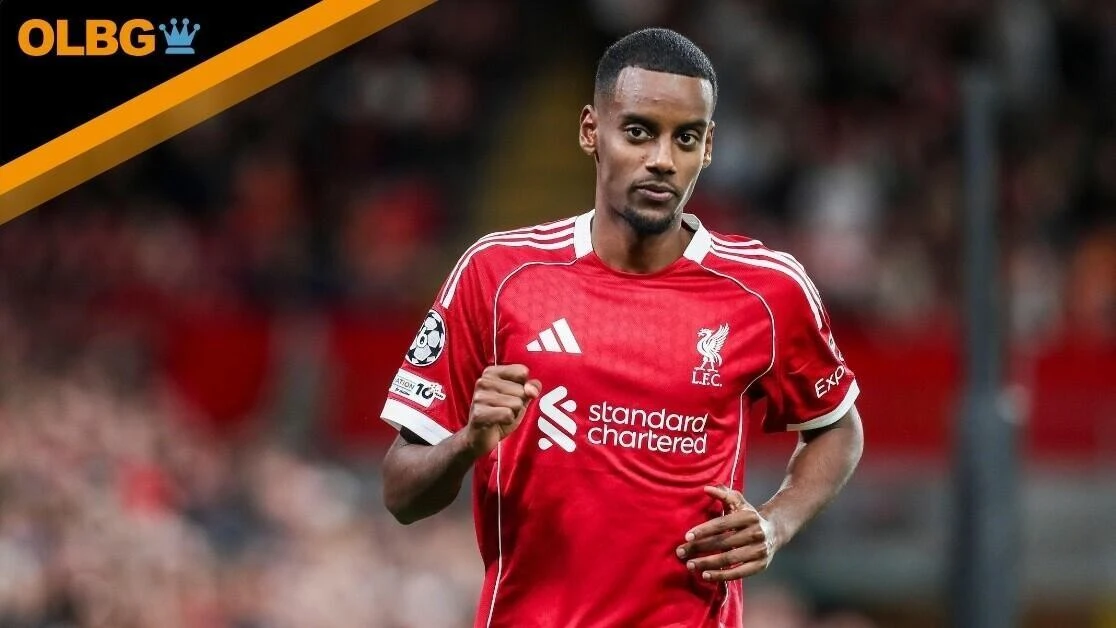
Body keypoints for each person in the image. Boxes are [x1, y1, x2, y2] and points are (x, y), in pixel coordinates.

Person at [378, 27, 864, 628]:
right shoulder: (499, 274)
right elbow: (401, 494)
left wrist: (776, 522)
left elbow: (837, 430)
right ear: (592, 132)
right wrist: (466, 445)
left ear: (708, 146)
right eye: (638, 131)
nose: (662, 159)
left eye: (685, 138)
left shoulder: (768, 290)